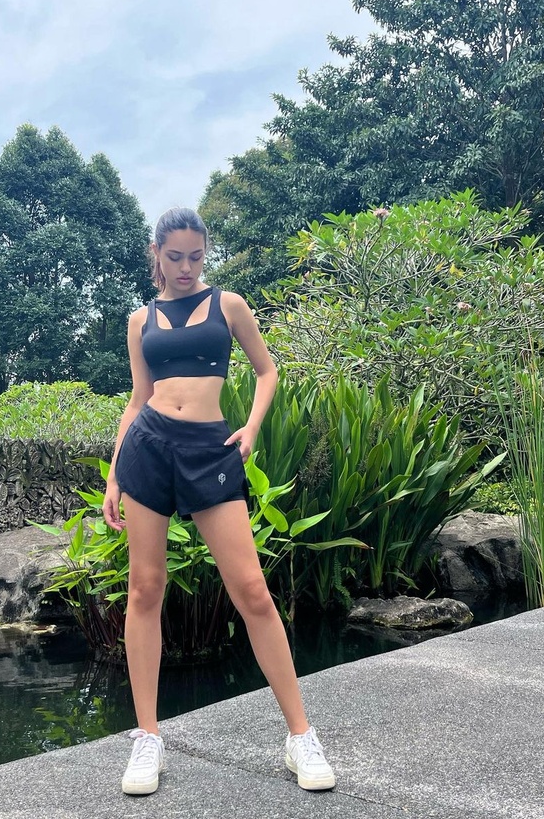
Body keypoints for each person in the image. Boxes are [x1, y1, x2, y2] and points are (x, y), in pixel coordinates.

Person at [102, 207, 336, 797]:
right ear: (156, 254)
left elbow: (267, 372)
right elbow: (137, 398)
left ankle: (301, 735)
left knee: (252, 590)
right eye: (174, 256)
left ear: (205, 253)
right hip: (148, 448)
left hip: (210, 449)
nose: (186, 267)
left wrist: (251, 428)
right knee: (145, 589)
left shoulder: (228, 305)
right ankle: (148, 737)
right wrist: (114, 475)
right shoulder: (139, 319)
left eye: (196, 256)